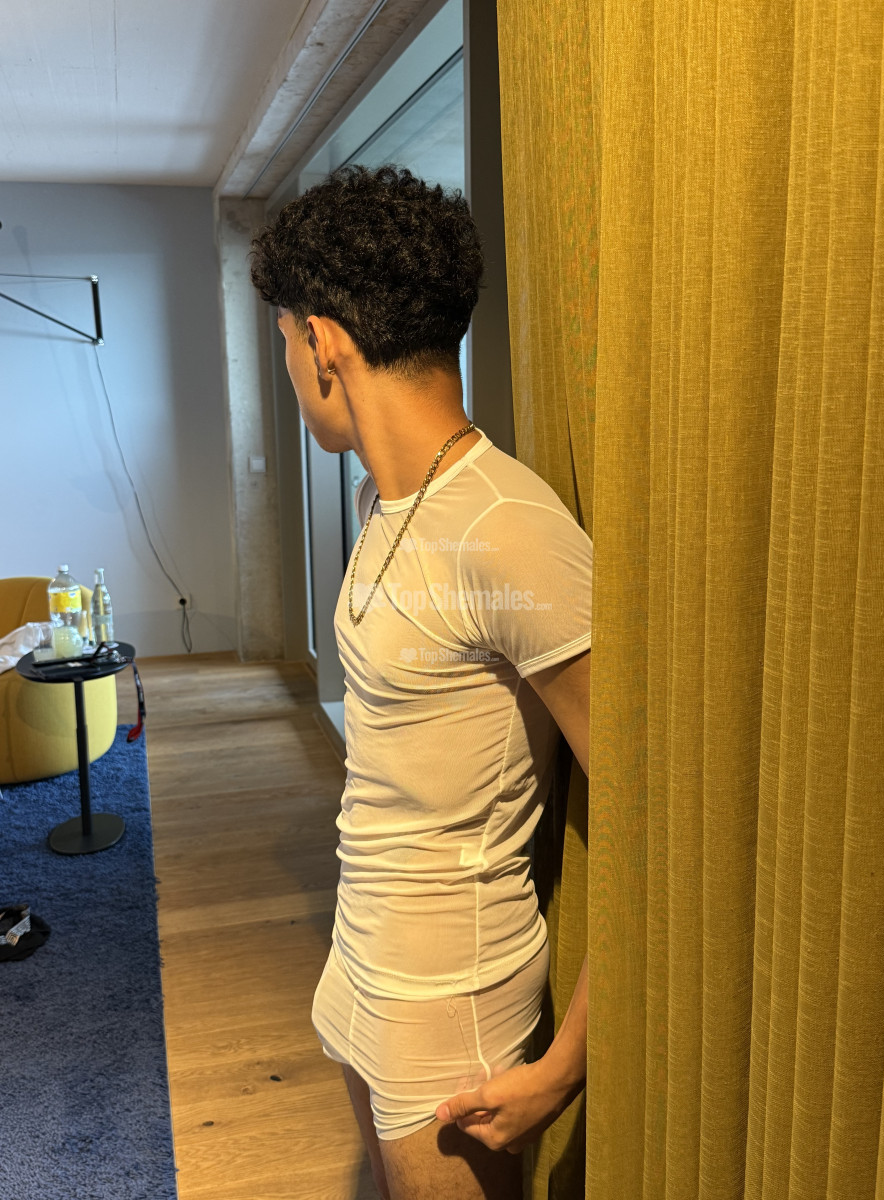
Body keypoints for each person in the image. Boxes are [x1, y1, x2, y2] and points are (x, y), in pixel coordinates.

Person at [250, 164, 591, 1200]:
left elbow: (658, 807)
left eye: (284, 341)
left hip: (451, 986)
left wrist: (564, 1067)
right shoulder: (382, 501)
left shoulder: (506, 529)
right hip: (365, 946)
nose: (290, 363)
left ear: (322, 343)